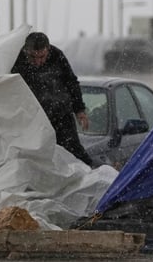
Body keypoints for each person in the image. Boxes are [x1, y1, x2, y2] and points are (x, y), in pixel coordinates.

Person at [11, 31, 94, 166]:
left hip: (61, 115)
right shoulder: (18, 61)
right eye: (33, 57)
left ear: (48, 50)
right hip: (34, 118)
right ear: (26, 51)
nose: (38, 62)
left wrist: (79, 110)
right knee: (37, 157)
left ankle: (90, 176)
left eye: (42, 57)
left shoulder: (57, 56)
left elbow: (71, 82)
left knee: (74, 152)